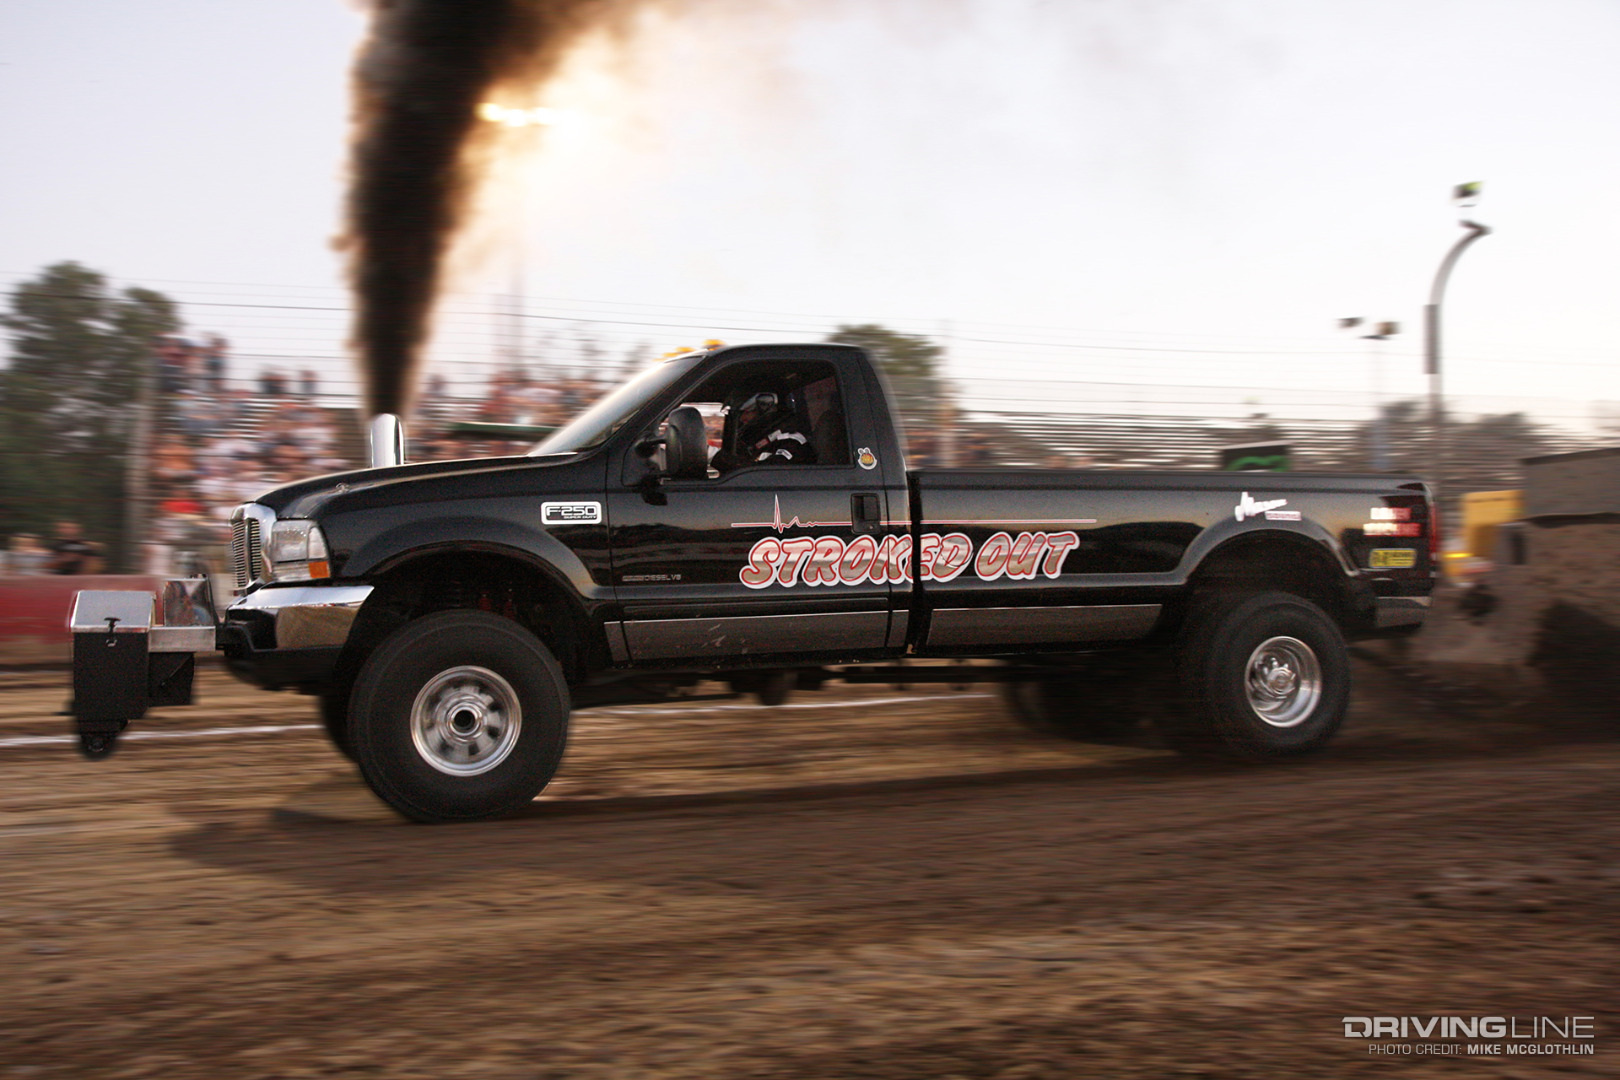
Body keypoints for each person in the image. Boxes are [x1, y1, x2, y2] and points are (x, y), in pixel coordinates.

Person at [711, 381, 817, 472]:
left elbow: (760, 475)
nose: (742, 419)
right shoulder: (757, 440)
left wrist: (712, 455)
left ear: (764, 407)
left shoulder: (792, 443)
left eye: (747, 412)